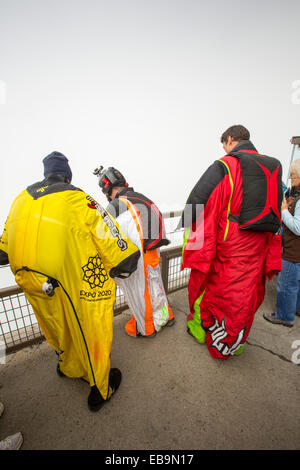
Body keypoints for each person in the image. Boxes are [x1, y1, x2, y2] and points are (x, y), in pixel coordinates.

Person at [0, 152, 140, 411]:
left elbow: (4, 247)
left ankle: (68, 366)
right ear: (67, 175)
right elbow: (105, 228)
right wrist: (125, 258)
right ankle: (100, 387)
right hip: (68, 279)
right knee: (89, 327)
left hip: (31, 280)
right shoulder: (76, 197)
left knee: (56, 324)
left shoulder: (20, 199)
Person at [179, 125, 283, 360]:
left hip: (229, 247)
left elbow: (196, 201)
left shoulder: (225, 165)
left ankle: (199, 331)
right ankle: (236, 341)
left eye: (224, 144)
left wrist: (187, 234)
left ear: (229, 140)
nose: (224, 149)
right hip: (258, 249)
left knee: (209, 289)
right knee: (244, 296)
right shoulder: (272, 168)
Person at [94, 166, 175, 338]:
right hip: (153, 247)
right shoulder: (140, 197)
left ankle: (145, 328)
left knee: (141, 291)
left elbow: (102, 232)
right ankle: (166, 316)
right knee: (155, 284)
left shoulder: (118, 204)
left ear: (109, 189)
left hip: (140, 251)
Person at [264, 158, 300, 327]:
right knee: (296, 283)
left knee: (286, 285)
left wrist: (285, 209)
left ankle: (284, 316)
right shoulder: (296, 195)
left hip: (294, 251)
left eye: (293, 175)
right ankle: (295, 309)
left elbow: (297, 227)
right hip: (296, 251)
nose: (291, 178)